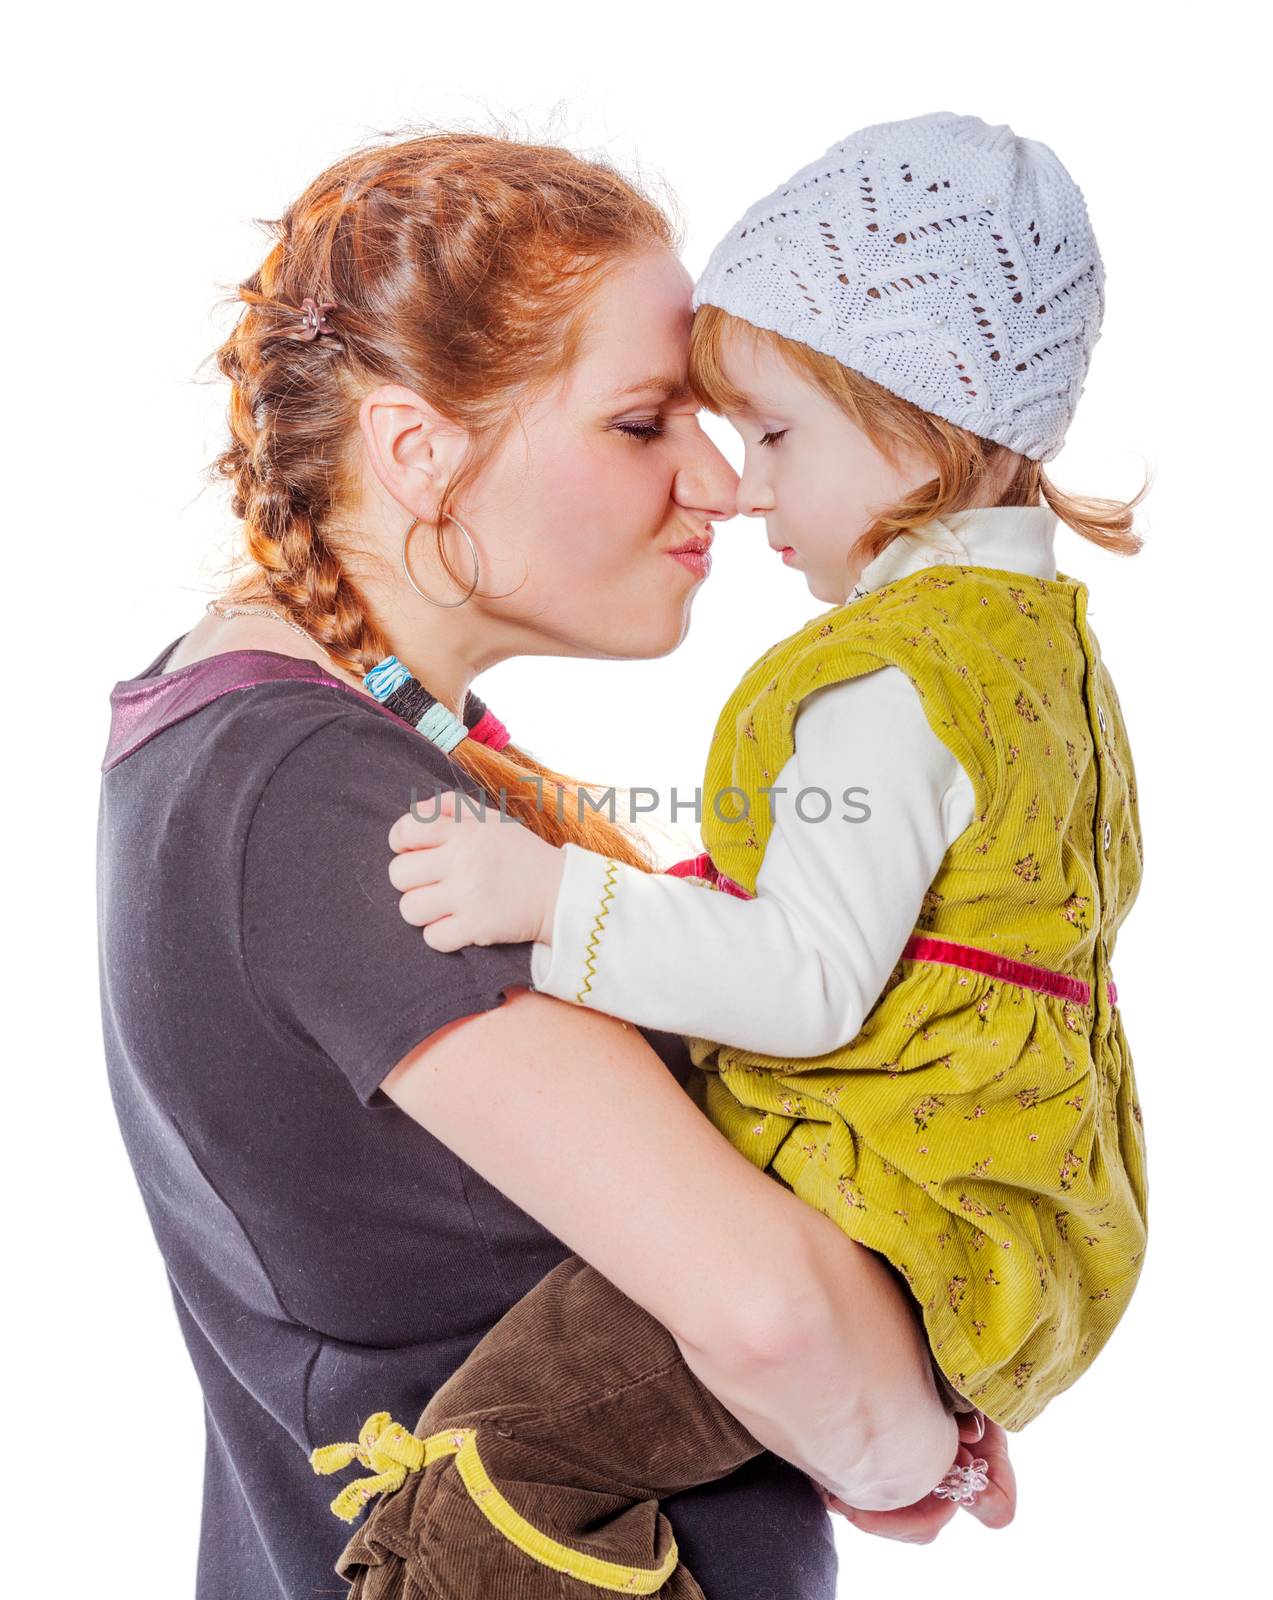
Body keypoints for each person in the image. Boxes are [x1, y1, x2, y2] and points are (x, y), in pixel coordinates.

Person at [97, 128, 980, 1600]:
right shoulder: (318, 796)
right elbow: (769, 1320)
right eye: (642, 423)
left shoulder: (283, 740)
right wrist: (911, 1449)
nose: (721, 484)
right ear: (415, 448)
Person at [321, 111, 1149, 1595]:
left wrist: (549, 899)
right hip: (984, 1209)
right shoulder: (1033, 651)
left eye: (772, 434)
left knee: (486, 1465)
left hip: (883, 1196)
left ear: (915, 420)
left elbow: (806, 982)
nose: (743, 486)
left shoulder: (892, 680)